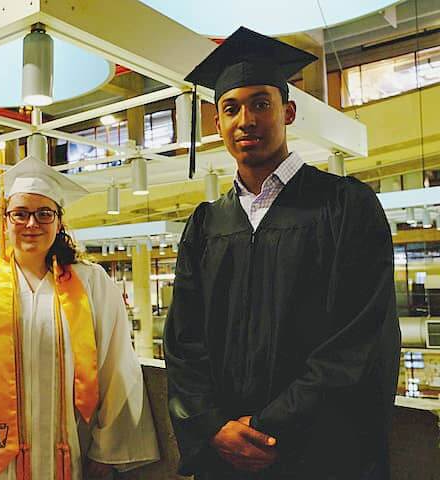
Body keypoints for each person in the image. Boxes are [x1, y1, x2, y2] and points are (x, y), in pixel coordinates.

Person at [163, 27, 400, 479]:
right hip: (226, 456)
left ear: (287, 111)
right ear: (217, 124)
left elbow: (361, 339)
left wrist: (269, 428)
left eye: (260, 103)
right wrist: (213, 427)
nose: (245, 119)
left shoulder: (345, 205)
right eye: (230, 108)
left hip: (318, 456)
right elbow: (183, 342)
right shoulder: (205, 224)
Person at [0, 156, 159, 480]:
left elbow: (117, 367)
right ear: (5, 221)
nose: (32, 224)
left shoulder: (91, 283)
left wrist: (108, 448)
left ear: (59, 222)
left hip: (75, 455)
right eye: (20, 214)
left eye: (44, 214)